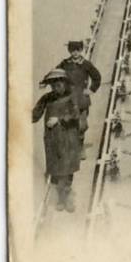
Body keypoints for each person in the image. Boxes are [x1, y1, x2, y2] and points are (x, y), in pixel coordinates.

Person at [32, 69, 82, 212]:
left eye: (58, 84)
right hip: (52, 139)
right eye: (53, 85)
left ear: (64, 83)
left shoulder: (71, 96)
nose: (56, 87)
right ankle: (61, 198)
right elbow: (35, 116)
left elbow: (75, 114)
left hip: (69, 138)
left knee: (68, 168)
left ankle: (67, 198)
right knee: (55, 168)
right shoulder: (46, 98)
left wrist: (59, 120)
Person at [57, 40, 101, 157]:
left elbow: (97, 77)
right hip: (68, 99)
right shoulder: (65, 63)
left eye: (77, 50)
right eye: (72, 50)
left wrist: (91, 90)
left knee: (82, 125)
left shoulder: (86, 64)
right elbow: (56, 74)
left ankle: (80, 147)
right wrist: (45, 82)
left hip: (82, 99)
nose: (75, 53)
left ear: (81, 50)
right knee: (67, 123)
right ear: (69, 51)